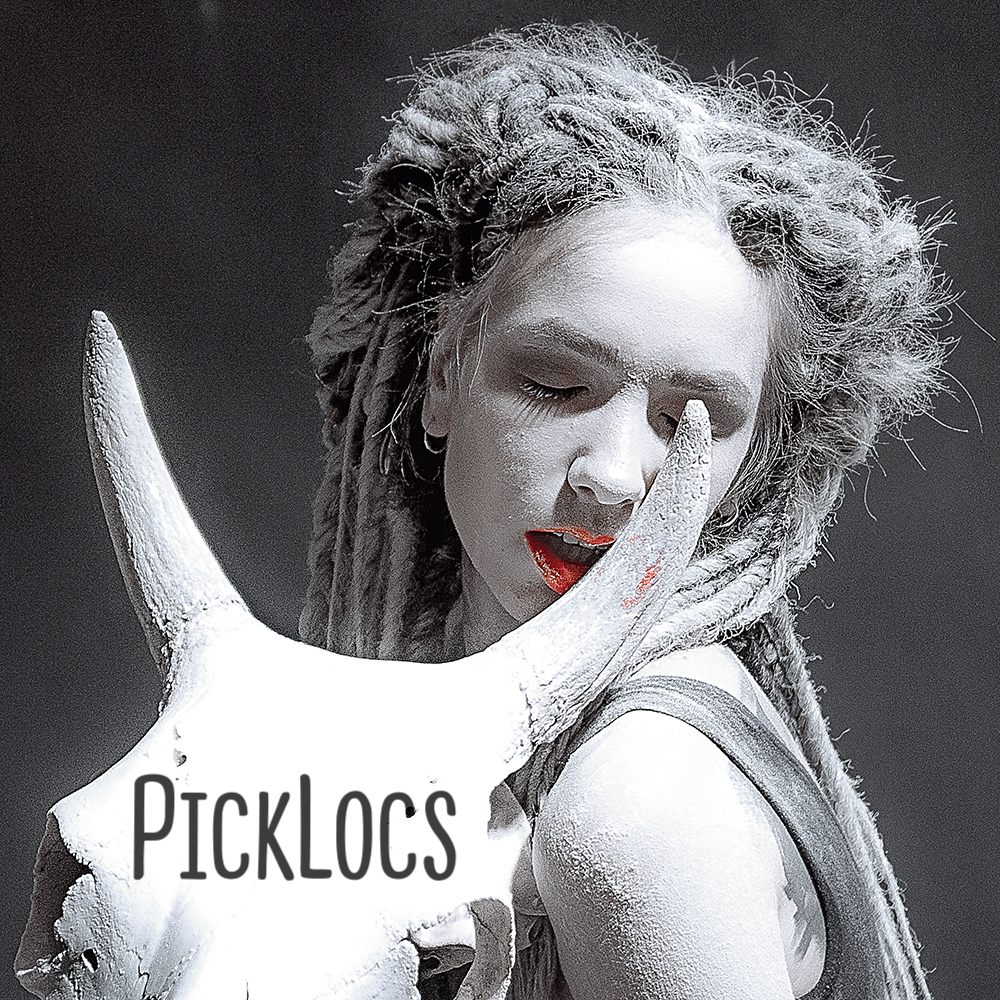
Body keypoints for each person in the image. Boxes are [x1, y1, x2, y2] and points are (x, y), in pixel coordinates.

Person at [299, 24, 946, 1000]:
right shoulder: (435, 755)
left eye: (692, 422)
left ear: (758, 461)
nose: (611, 477)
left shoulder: (635, 800)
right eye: (554, 384)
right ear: (442, 376)